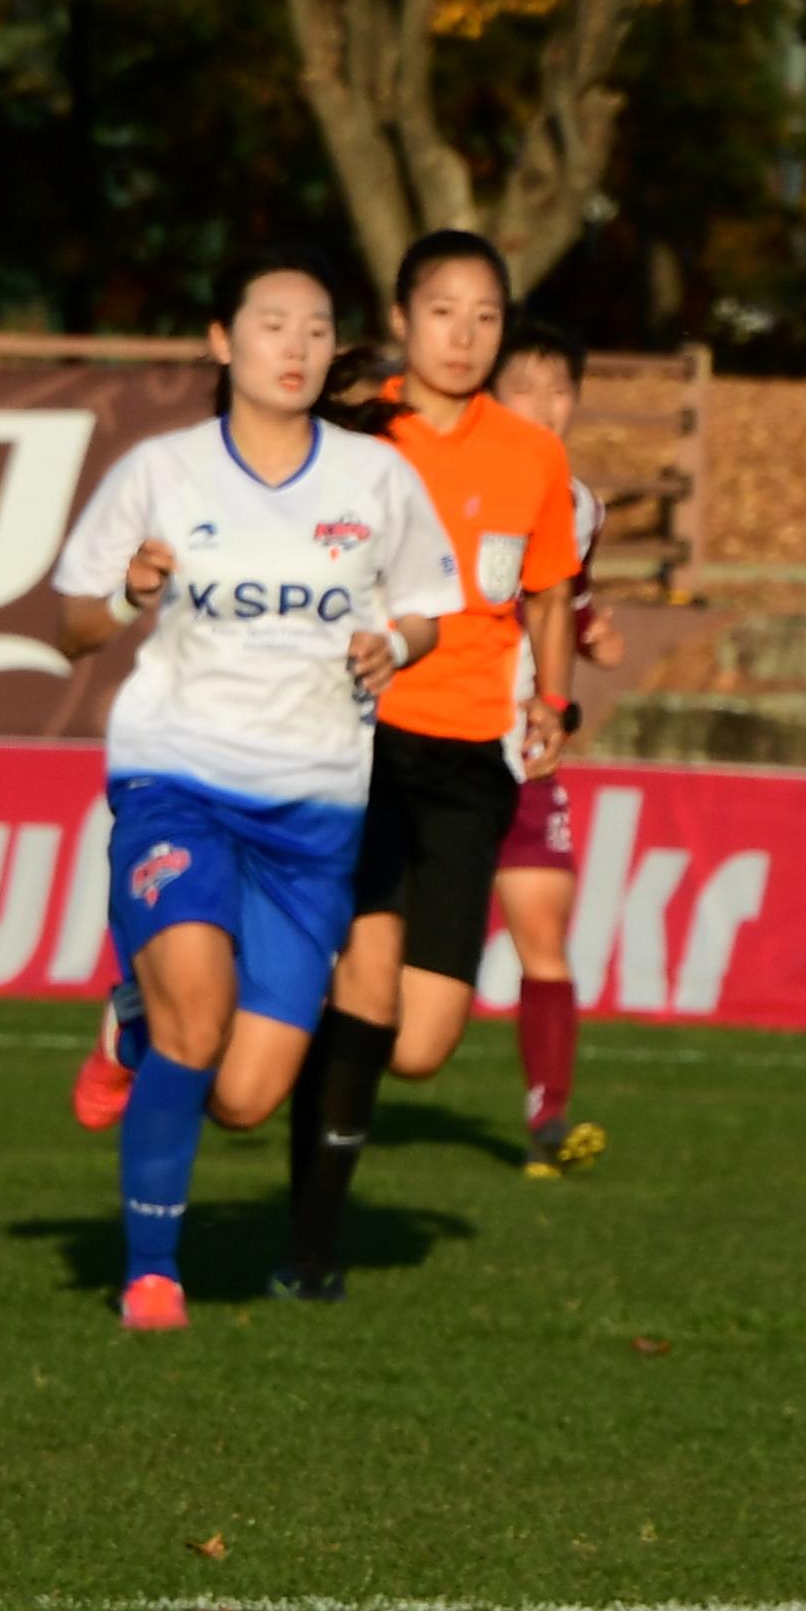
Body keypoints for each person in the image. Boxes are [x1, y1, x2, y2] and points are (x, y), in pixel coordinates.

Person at [48, 258, 459, 1325]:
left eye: (317, 330)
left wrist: (393, 644)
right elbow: (72, 624)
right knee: (199, 1023)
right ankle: (151, 1272)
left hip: (316, 813)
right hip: (178, 781)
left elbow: (428, 610)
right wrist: (128, 594)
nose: (297, 347)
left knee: (241, 1095)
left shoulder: (377, 478)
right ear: (223, 341)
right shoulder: (162, 471)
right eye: (272, 325)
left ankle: (128, 1016)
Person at [293, 232, 580, 1291]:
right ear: (405, 319)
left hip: (474, 760)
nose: (464, 335)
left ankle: (294, 1047)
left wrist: (554, 700)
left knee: (420, 1041)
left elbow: (547, 589)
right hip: (360, 738)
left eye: (486, 316)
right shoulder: (356, 435)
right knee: (365, 987)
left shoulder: (534, 454)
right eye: (445, 311)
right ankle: (312, 1240)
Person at [484, 318, 619, 1174]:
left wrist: (584, 634)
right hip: (429, 740)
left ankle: (547, 1123)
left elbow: (557, 600)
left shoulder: (579, 505)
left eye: (561, 388)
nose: (546, 405)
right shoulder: (439, 479)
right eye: (526, 386)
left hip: (525, 748)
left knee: (543, 927)